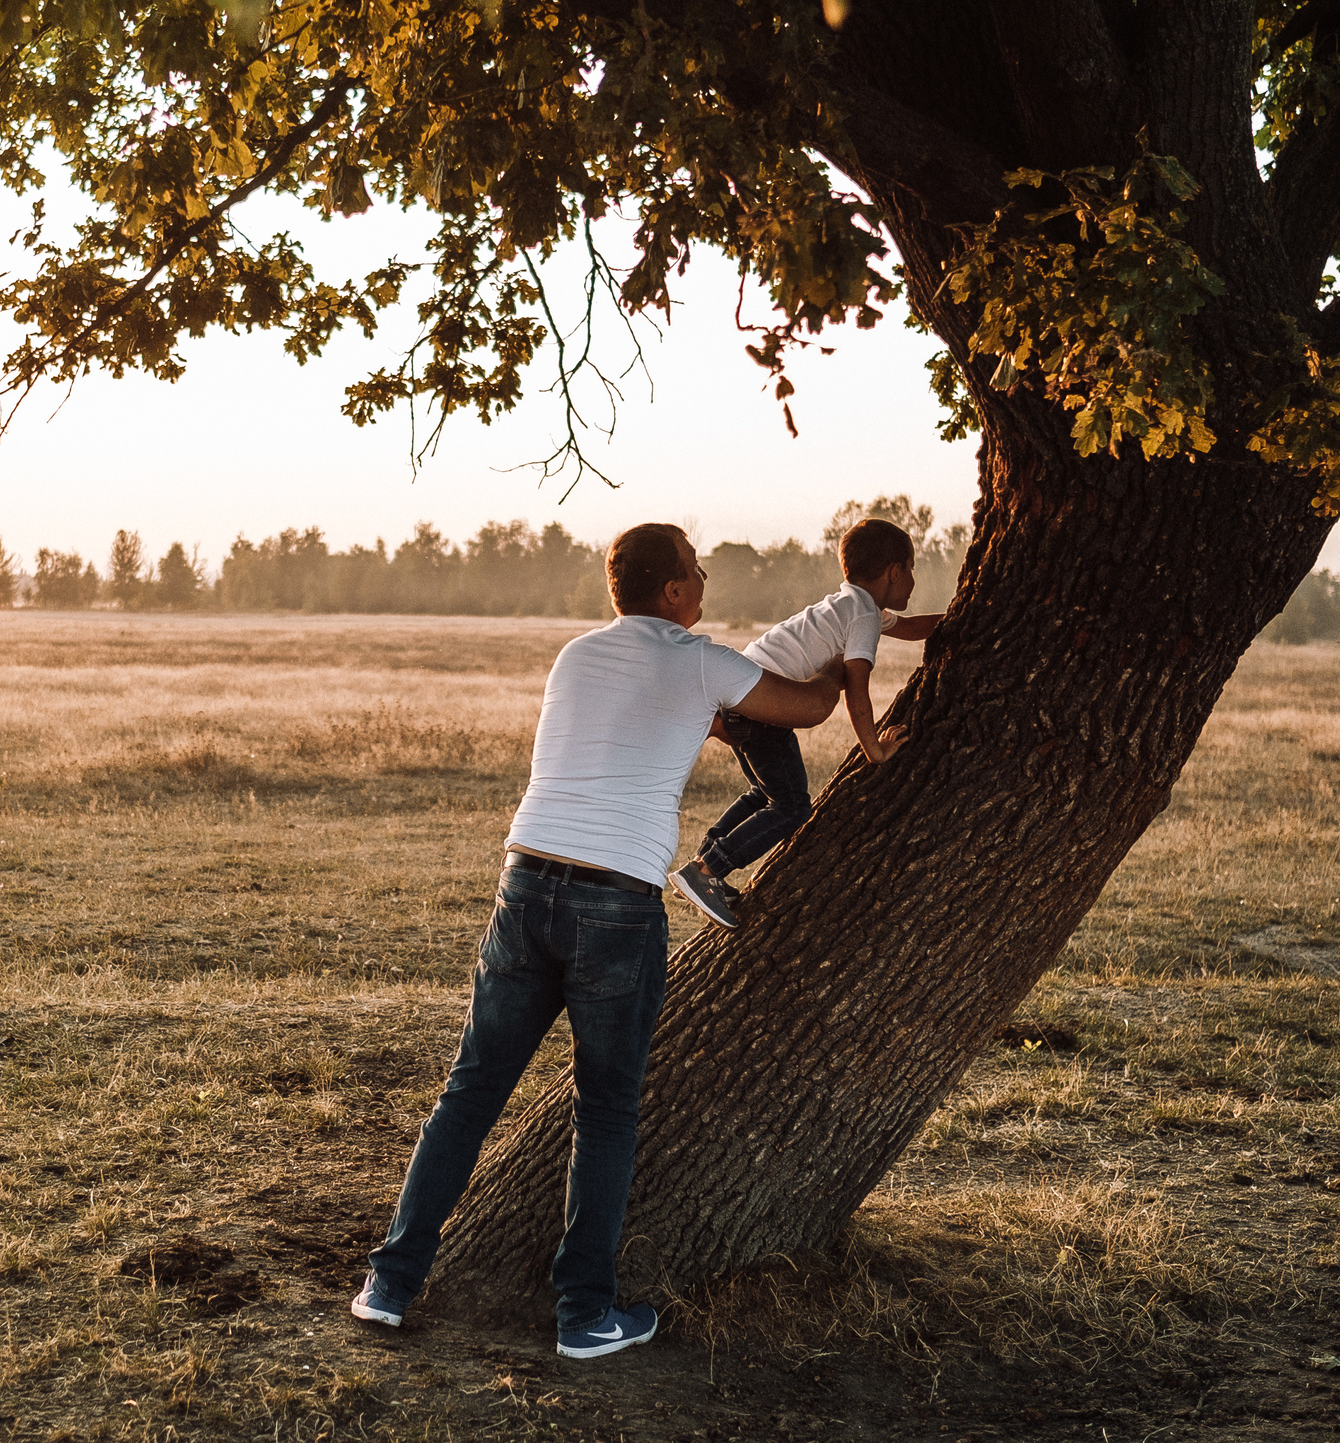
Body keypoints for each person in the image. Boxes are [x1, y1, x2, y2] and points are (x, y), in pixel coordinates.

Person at [349, 523, 842, 1359]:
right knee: (606, 1108)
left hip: (525, 883)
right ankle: (583, 1315)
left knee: (470, 1093)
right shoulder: (700, 659)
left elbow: (638, 721)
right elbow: (812, 709)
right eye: (697, 567)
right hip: (616, 904)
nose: (705, 577)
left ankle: (390, 1285)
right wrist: (849, 652)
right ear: (674, 590)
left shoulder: (576, 655)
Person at [667, 517, 945, 929]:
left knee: (765, 792)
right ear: (894, 571)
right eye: (912, 568)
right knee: (793, 806)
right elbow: (857, 688)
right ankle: (707, 871)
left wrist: (964, 612)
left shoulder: (851, 605)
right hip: (765, 706)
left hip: (742, 695)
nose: (913, 580)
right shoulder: (863, 617)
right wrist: (875, 750)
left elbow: (912, 627)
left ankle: (704, 862)